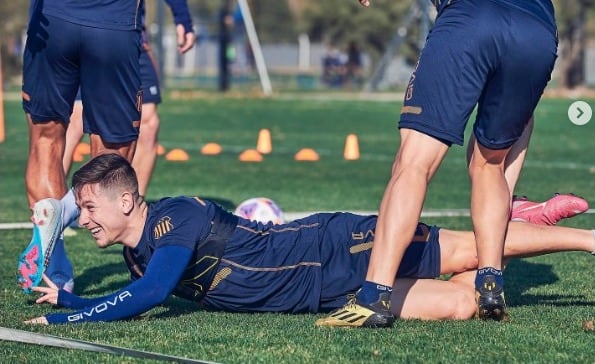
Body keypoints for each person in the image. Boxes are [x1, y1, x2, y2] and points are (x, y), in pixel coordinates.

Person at [23, 154, 594, 325]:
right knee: (465, 303)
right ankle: (510, 227)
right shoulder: (135, 249)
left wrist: (71, 318)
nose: (83, 218)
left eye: (88, 207)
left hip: (340, 246)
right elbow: (142, 291)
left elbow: (151, 296)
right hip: (330, 294)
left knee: (471, 250)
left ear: (126, 200)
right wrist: (70, 298)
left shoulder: (177, 221)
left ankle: (573, 236)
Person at [318, 0, 561, 326]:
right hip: (537, 30)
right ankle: (490, 286)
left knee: (414, 161)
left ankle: (374, 297)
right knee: (490, 164)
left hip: (471, 17)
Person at [18, 0, 145, 293]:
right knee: (113, 160)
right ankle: (62, 214)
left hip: (52, 25)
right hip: (113, 24)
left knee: (44, 141)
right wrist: (182, 18)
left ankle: (56, 275)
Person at [63, 0, 197, 196]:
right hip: (83, 27)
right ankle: (54, 210)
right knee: (76, 119)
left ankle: (132, 208)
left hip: (129, 35)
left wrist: (182, 17)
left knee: (148, 123)